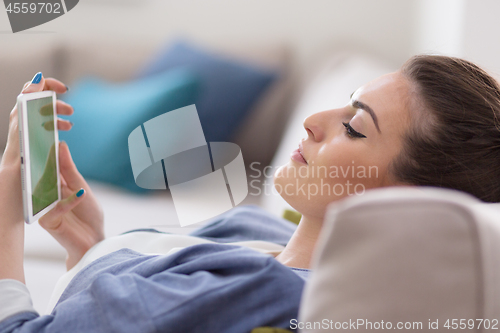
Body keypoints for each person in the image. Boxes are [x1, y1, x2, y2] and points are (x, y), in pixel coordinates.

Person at [1, 54, 499, 333]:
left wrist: (4, 217)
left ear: (407, 204)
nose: (312, 122)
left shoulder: (263, 289)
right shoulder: (264, 234)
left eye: (354, 127)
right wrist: (88, 245)